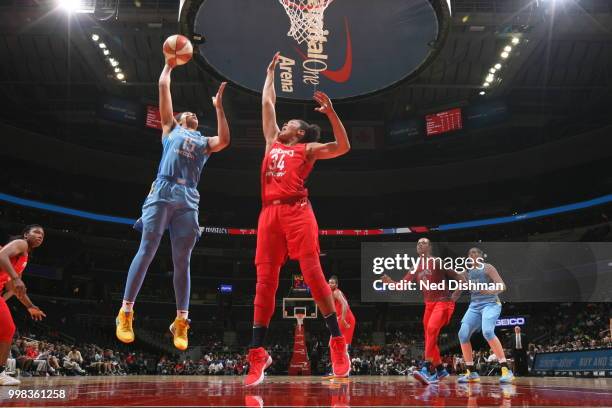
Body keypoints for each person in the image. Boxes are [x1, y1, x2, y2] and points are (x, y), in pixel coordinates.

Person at [244, 52, 351, 387]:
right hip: (269, 214)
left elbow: (343, 146)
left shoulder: (306, 150)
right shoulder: (272, 142)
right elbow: (267, 104)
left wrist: (332, 113)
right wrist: (270, 74)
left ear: (301, 134)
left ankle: (337, 342)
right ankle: (257, 352)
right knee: (264, 282)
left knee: (311, 272)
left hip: (297, 211)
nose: (285, 122)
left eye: (292, 123)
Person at [116, 58, 230, 351]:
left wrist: (219, 109)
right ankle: (126, 311)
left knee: (183, 260)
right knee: (148, 249)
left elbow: (225, 140)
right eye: (185, 112)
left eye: (194, 113)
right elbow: (164, 87)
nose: (190, 113)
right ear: (178, 120)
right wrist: (167, 65)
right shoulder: (169, 129)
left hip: (188, 197)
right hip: (163, 190)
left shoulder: (204, 141)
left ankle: (181, 320)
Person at [382, 238, 465, 385]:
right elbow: (401, 286)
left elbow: (460, 278)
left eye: (424, 242)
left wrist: (455, 295)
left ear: (430, 247)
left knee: (432, 330)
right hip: (429, 305)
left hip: (443, 302)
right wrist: (390, 283)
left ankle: (425, 369)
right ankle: (440, 370)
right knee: (429, 338)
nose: (420, 244)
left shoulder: (437, 261)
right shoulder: (416, 267)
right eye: (418, 243)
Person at [456, 247, 514, 383]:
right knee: (462, 334)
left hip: (491, 304)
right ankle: (471, 372)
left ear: (481, 256)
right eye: (470, 253)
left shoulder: (488, 268)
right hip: (474, 306)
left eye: (476, 252)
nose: (473, 254)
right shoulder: (466, 272)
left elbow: (502, 286)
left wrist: (489, 291)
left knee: (487, 332)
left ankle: (506, 370)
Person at [0, 225, 47, 385]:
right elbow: (1, 255)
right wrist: (15, 278)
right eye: (36, 232)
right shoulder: (21, 243)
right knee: (8, 328)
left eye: (42, 234)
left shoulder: (24, 257)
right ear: (26, 234)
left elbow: (14, 289)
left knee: (7, 329)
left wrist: (30, 306)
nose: (40, 236)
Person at [328, 275, 356, 349]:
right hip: (341, 317)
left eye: (332, 283)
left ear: (336, 285)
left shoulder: (336, 292)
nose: (330, 284)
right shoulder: (331, 293)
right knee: (333, 344)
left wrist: (343, 319)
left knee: (341, 346)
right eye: (329, 282)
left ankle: (343, 360)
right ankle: (336, 360)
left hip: (346, 318)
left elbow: (345, 304)